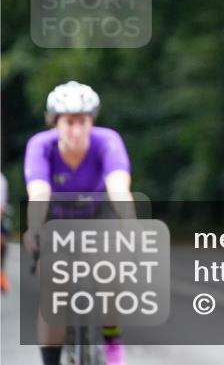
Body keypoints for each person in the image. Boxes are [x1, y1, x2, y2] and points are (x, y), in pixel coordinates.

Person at [23, 81, 134, 365]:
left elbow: (119, 189)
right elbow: (38, 193)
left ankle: (111, 336)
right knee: (55, 295)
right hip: (56, 220)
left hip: (99, 217)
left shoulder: (107, 141)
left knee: (110, 274)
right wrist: (35, 229)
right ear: (55, 123)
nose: (76, 130)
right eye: (68, 122)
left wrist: (131, 225)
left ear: (92, 121)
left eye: (82, 121)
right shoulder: (40, 146)